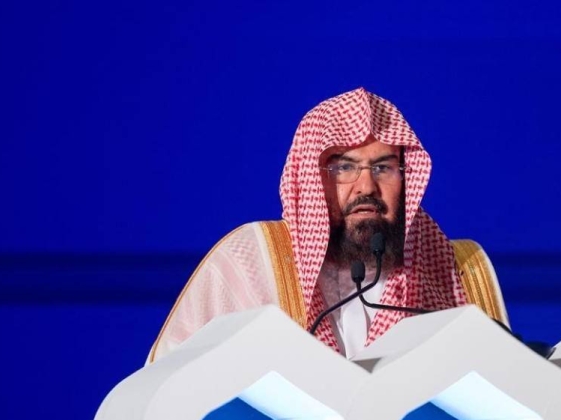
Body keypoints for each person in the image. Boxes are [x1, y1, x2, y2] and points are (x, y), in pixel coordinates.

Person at [148, 88, 507, 362]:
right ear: (311, 179)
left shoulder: (456, 272)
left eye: (383, 167)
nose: (366, 187)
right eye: (344, 167)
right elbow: (172, 391)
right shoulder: (249, 262)